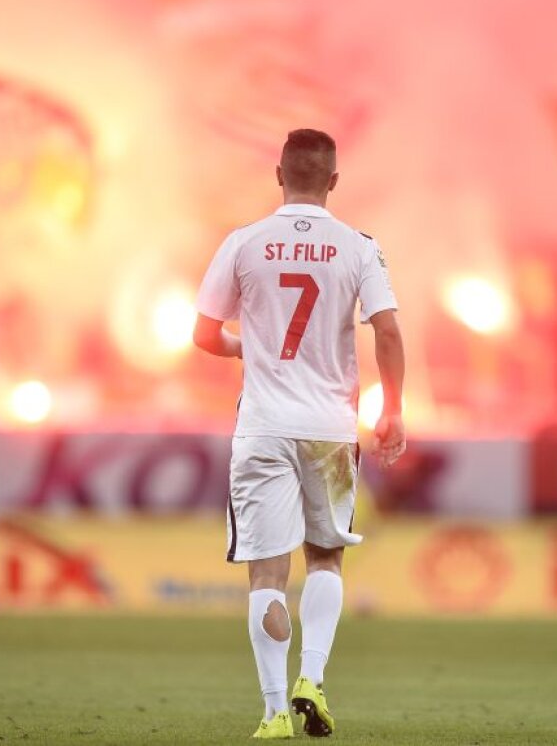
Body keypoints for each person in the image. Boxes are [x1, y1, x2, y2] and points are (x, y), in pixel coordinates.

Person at [194, 128, 406, 739]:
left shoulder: (244, 243)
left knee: (266, 573)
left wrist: (249, 349)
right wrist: (393, 409)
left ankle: (272, 713)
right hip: (330, 431)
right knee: (326, 557)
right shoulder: (358, 247)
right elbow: (387, 332)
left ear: (277, 174)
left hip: (262, 429)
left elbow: (204, 335)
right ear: (334, 181)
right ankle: (312, 676)